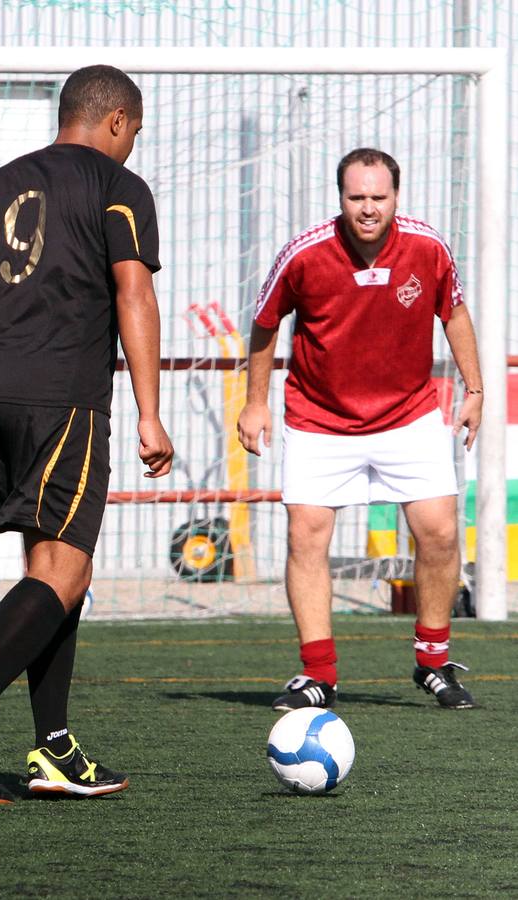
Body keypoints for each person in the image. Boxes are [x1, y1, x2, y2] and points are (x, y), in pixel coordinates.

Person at [0, 65, 173, 804]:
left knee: (57, 569)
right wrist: (150, 411)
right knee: (64, 569)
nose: (133, 145)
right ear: (117, 121)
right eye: (135, 133)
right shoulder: (120, 189)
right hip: (63, 399)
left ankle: (53, 746)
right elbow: (134, 292)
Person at [238, 147, 481, 712]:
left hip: (409, 414)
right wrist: (255, 403)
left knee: (441, 532)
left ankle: (433, 662)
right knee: (306, 536)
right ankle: (318, 674)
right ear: (340, 197)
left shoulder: (428, 246)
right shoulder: (304, 254)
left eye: (378, 197)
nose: (368, 208)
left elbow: (455, 313)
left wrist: (474, 390)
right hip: (319, 419)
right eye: (356, 197)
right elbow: (264, 323)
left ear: (396, 196)